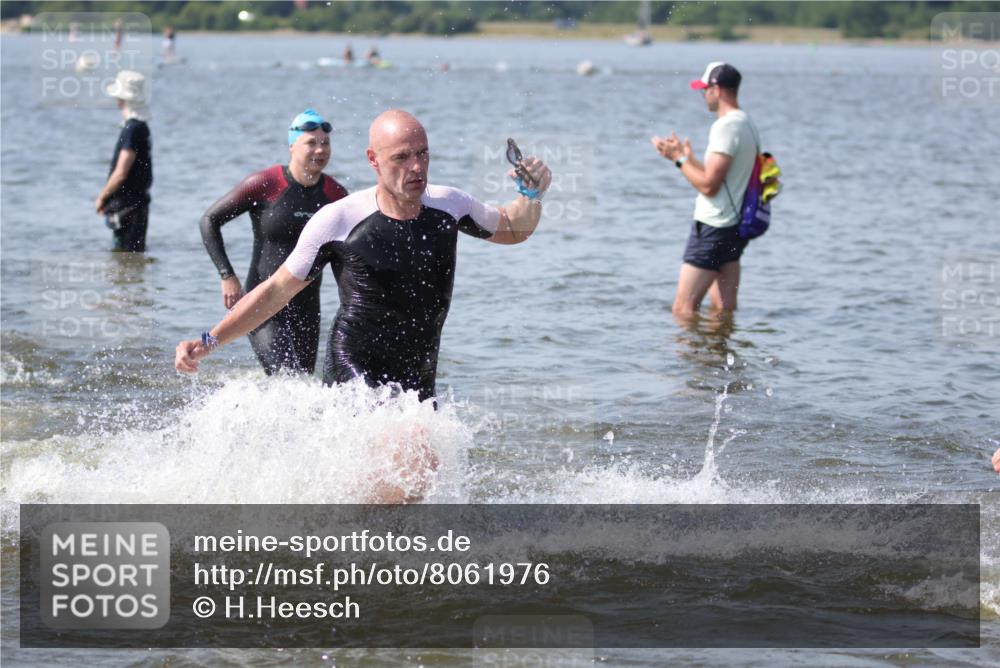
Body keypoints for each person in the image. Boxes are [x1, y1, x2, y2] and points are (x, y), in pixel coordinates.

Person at [176, 109, 552, 405]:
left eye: (422, 154)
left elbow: (512, 230)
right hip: (354, 370)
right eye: (402, 157)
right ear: (373, 160)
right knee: (414, 458)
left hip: (418, 372)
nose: (417, 167)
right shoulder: (340, 219)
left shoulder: (450, 205)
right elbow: (275, 291)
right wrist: (210, 340)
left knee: (413, 487)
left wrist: (531, 196)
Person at [199, 109, 348, 375]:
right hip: (262, 303)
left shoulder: (335, 194)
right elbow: (210, 220)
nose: (320, 149)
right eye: (311, 142)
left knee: (300, 383)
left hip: (307, 308)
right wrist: (227, 276)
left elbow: (345, 254)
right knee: (285, 377)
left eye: (325, 143)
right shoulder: (266, 183)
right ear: (292, 146)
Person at [652, 62, 760, 319]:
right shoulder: (746, 122)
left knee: (683, 310)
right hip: (734, 228)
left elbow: (709, 186)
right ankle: (719, 357)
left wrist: (677, 160)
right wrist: (688, 159)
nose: (702, 96)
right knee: (723, 310)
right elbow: (723, 178)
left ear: (717, 90)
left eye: (704, 90)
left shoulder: (726, 126)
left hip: (714, 227)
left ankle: (689, 360)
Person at [95, 70, 152, 253]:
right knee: (133, 259)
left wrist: (102, 197)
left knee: (124, 257)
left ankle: (129, 282)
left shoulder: (132, 129)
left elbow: (121, 173)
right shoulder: (142, 127)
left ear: (121, 98)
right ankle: (136, 282)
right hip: (138, 203)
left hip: (127, 207)